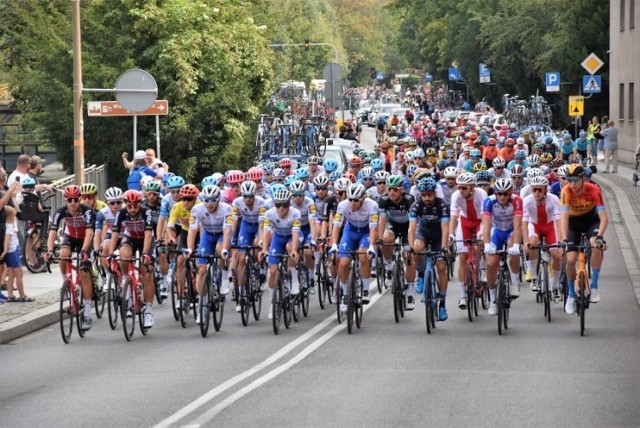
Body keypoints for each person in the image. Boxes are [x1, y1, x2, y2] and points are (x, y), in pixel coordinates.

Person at [44, 185, 96, 330]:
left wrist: (85, 251)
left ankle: (87, 313)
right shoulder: (61, 211)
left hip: (85, 239)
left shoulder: (86, 211)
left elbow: (90, 233)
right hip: (71, 237)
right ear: (65, 199)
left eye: (75, 199)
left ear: (80, 199)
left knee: (84, 273)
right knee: (63, 255)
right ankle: (65, 282)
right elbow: (52, 233)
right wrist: (49, 250)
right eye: (69, 200)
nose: (73, 202)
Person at [559, 164, 608, 314]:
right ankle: (571, 296)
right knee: (571, 259)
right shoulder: (566, 190)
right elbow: (564, 217)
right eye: (569, 180)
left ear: (582, 178)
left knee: (595, 246)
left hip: (590, 221)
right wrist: (565, 239)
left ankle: (594, 287)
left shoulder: (594, 189)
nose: (572, 184)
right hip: (573, 223)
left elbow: (604, 217)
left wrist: (600, 236)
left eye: (575, 180)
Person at [109, 189, 156, 328]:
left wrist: (146, 254)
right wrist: (111, 253)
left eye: (136, 206)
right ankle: (126, 280)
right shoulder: (121, 213)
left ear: (140, 204)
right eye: (129, 206)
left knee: (146, 274)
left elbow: (148, 235)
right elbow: (115, 233)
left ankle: (148, 311)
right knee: (123, 254)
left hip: (146, 241)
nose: (133, 209)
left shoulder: (146, 212)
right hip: (131, 238)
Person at [329, 183, 378, 312]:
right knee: (343, 262)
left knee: (363, 255)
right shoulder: (342, 205)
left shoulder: (372, 205)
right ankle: (345, 294)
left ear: (362, 199)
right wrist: (334, 244)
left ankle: (366, 289)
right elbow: (337, 226)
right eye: (350, 199)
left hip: (365, 232)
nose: (352, 203)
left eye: (356, 200)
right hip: (350, 232)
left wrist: (372, 246)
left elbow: (373, 228)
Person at [187, 185, 232, 324]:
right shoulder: (197, 209)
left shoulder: (226, 209)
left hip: (220, 235)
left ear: (218, 200)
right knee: (201, 269)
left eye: (213, 200)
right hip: (207, 236)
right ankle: (202, 304)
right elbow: (192, 230)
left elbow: (227, 230)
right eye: (207, 200)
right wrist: (189, 248)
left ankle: (224, 277)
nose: (210, 204)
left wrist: (225, 249)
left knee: (220, 249)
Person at [408, 178, 450, 321]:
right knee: (417, 248)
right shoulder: (416, 205)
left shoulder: (442, 205)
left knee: (441, 266)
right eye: (424, 195)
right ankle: (420, 274)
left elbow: (445, 229)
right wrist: (410, 247)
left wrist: (444, 247)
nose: (426, 198)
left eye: (429, 195)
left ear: (434, 193)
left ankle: (442, 304)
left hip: (439, 236)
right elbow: (412, 228)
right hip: (424, 232)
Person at [482, 178, 522, 316]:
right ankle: (493, 298)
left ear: (510, 193)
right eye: (499, 194)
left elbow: (518, 225)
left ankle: (515, 283)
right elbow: (486, 225)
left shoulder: (516, 200)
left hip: (511, 231)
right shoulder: (489, 201)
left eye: (506, 194)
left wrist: (517, 245)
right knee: (491, 263)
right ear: (496, 193)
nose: (502, 197)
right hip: (496, 231)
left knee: (514, 250)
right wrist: (487, 244)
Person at [448, 172, 488, 309]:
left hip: (479, 222)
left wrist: (482, 233)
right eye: (459, 187)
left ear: (472, 187)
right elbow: (453, 216)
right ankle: (462, 296)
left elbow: (485, 217)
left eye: (464, 188)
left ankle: (481, 268)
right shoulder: (456, 196)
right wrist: (451, 234)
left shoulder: (481, 194)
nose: (461, 190)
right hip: (464, 223)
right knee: (463, 256)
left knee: (479, 245)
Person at [260, 188, 301, 320]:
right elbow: (266, 232)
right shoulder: (270, 213)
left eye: (285, 205)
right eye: (278, 205)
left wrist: (294, 250)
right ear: (274, 205)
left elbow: (295, 234)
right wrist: (264, 249)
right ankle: (273, 303)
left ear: (289, 204)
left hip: (291, 237)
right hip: (278, 238)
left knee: (290, 248)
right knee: (272, 271)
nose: (281, 208)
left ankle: (294, 280)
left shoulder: (295, 213)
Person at [377, 175, 416, 309]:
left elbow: (413, 224)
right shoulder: (383, 200)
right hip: (392, 224)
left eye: (394, 189)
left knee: (408, 256)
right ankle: (389, 265)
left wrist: (410, 245)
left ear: (401, 190)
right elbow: (382, 221)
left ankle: (410, 291)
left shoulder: (409, 200)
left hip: (407, 227)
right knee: (386, 240)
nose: (391, 192)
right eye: (389, 189)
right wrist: (380, 239)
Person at [521, 176, 563, 301]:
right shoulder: (527, 201)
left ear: (545, 190)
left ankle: (555, 285)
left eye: (539, 190)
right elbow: (524, 223)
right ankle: (534, 277)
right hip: (534, 225)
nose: (537, 193)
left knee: (557, 253)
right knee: (532, 244)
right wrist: (525, 242)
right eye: (534, 190)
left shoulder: (554, 199)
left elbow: (558, 221)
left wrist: (560, 239)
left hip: (550, 226)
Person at [0, 205, 31, 302]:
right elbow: (7, 239)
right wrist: (5, 250)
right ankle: (22, 295)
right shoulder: (9, 226)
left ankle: (10, 295)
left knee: (12, 274)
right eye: (13, 215)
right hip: (12, 251)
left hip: (12, 250)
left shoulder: (8, 225)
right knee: (19, 273)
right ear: (10, 216)